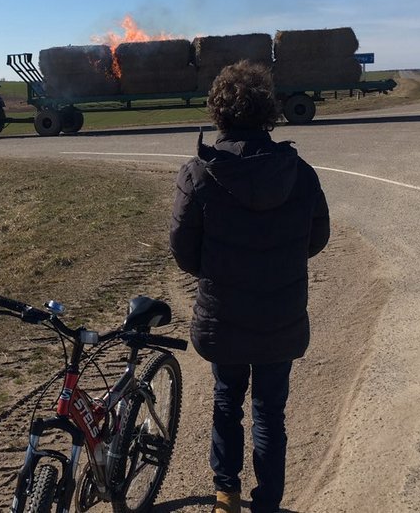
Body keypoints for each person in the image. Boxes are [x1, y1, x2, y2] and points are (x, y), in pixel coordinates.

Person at [169, 61, 330, 513]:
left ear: (219, 112)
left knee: (226, 402)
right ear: (268, 113)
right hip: (281, 314)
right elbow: (316, 238)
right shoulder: (300, 173)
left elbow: (184, 251)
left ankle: (225, 494)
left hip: (225, 314)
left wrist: (221, 269)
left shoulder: (199, 174)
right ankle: (268, 503)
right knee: (269, 413)